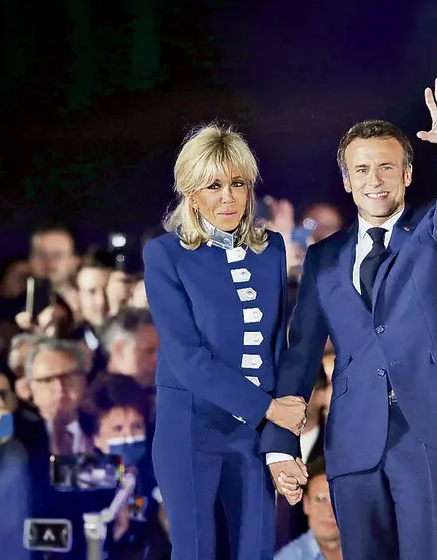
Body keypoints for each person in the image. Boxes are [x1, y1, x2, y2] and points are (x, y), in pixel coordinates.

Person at [263, 78, 437, 560]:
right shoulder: (323, 258)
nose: (375, 179)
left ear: (408, 174)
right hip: (353, 440)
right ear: (348, 180)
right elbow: (302, 354)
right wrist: (278, 440)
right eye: (363, 169)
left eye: (387, 167)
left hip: (428, 431)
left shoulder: (434, 236)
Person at [143, 124, 309, 560]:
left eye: (238, 183)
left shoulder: (271, 248)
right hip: (189, 430)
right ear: (191, 192)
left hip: (253, 435)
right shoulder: (165, 255)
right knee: (198, 552)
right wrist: (269, 409)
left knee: (255, 550)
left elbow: (275, 349)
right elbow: (185, 357)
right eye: (214, 185)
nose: (228, 197)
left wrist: (280, 442)